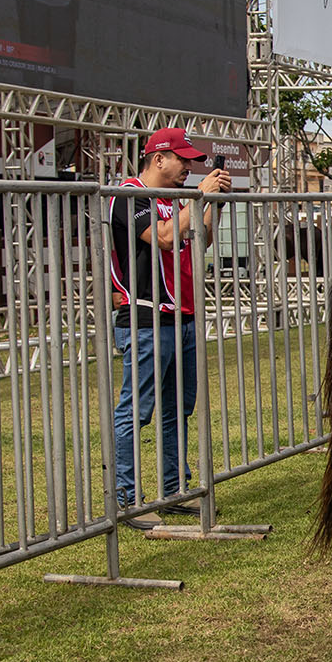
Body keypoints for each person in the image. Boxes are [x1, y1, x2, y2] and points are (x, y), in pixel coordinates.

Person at [108, 128, 230, 527]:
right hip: (145, 318)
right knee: (136, 411)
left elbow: (202, 240)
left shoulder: (175, 199)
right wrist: (199, 197)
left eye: (193, 162)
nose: (189, 168)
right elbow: (162, 237)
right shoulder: (129, 193)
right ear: (158, 158)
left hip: (183, 315)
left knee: (179, 408)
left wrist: (211, 204)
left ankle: (173, 490)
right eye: (183, 160)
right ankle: (125, 499)